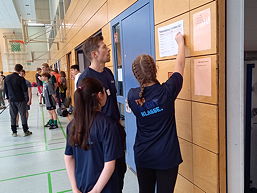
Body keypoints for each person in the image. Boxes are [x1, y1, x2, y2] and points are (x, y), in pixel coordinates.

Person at [127, 33, 185, 193]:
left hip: (143, 155)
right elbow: (179, 66)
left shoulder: (132, 95)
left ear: (136, 75)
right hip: (166, 157)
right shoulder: (167, 91)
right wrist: (180, 44)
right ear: (155, 69)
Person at [77, 35, 126, 192]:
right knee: (104, 176)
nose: (108, 49)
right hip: (99, 136)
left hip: (115, 131)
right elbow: (83, 111)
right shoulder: (85, 79)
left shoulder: (108, 73)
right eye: (104, 47)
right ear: (94, 54)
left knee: (119, 172)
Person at [64, 78, 123, 193]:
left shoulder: (72, 125)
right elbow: (110, 164)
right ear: (100, 95)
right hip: (106, 188)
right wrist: (95, 191)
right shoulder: (108, 125)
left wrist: (75, 188)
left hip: (82, 186)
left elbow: (68, 157)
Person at [4, 64, 32, 137]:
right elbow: (25, 89)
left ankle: (14, 132)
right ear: (20, 70)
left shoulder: (7, 78)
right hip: (20, 99)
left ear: (14, 68)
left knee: (13, 116)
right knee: (23, 115)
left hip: (11, 100)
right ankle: (25, 131)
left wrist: (8, 98)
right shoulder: (21, 79)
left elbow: (5, 89)